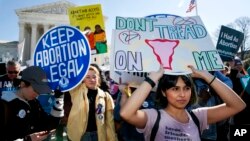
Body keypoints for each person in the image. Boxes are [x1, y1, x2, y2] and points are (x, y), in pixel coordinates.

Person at [120, 65, 246, 141]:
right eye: (175, 89)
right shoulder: (154, 117)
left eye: (186, 88)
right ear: (164, 92)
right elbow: (126, 114)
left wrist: (206, 76)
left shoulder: (198, 117)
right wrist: (152, 79)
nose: (182, 94)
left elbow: (238, 105)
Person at [0, 66, 64, 141]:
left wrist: (59, 100)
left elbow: (49, 124)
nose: (37, 94)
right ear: (23, 84)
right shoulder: (5, 105)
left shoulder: (34, 102)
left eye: (40, 91)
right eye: (36, 89)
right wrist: (28, 139)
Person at [66, 66, 118, 141]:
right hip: (81, 136)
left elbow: (110, 122)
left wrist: (112, 138)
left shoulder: (106, 96)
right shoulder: (76, 91)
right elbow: (70, 76)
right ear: (83, 79)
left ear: (98, 78)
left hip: (99, 135)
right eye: (88, 77)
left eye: (94, 76)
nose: (92, 80)